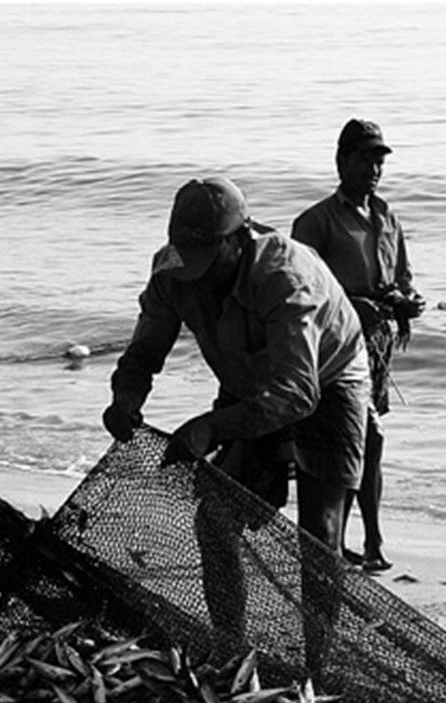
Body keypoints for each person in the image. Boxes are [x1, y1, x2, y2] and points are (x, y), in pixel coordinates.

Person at [103, 176, 371, 555]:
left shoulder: (286, 278)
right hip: (246, 377)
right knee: (214, 519)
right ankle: (227, 618)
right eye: (187, 257)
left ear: (241, 237)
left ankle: (320, 612)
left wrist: (211, 427)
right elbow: (144, 351)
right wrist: (125, 398)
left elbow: (297, 393)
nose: (197, 277)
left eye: (208, 261)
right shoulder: (172, 270)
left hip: (328, 377)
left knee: (318, 535)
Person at [292, 118, 424, 574]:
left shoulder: (387, 216)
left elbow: (401, 276)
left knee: (361, 442)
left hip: (378, 345)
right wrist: (353, 306)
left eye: (379, 159)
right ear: (341, 161)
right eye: (365, 158)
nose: (374, 168)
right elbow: (300, 291)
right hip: (335, 350)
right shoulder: (316, 222)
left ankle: (348, 540)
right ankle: (367, 540)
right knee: (366, 439)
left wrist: (406, 302)